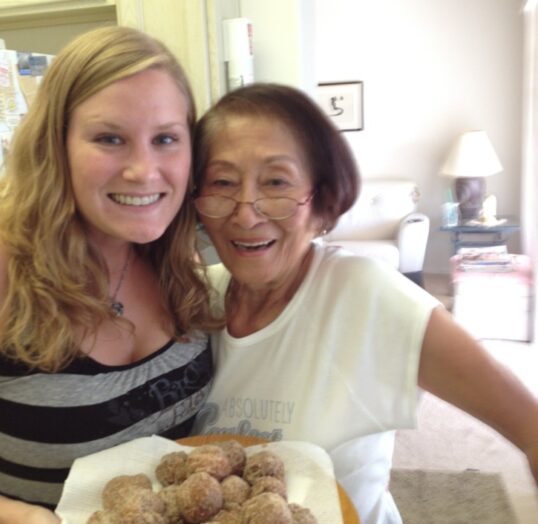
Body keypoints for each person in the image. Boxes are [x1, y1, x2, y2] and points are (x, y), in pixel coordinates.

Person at [190, 83, 538, 523]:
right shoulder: (192, 301)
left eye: (276, 182)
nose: (245, 212)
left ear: (321, 202)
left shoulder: (368, 297)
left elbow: (531, 428)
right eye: (222, 182)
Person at [0, 26, 222, 523]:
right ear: (56, 144)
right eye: (110, 138)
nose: (144, 171)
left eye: (166, 138)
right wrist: (9, 515)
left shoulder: (176, 255)